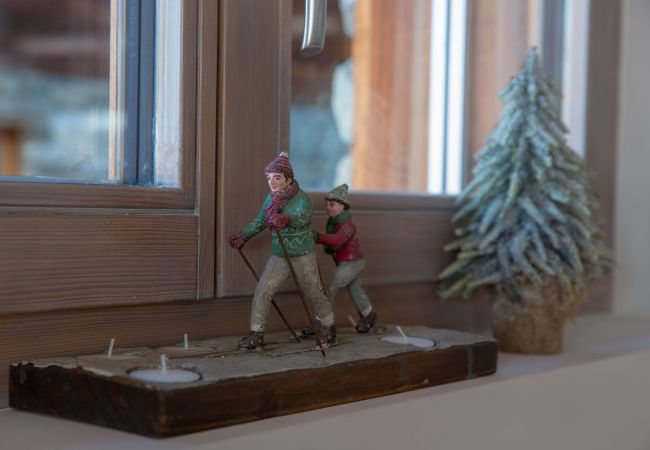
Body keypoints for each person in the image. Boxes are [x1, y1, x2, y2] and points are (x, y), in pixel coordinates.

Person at [228, 152, 336, 349]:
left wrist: (287, 220)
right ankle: (256, 333)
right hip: (280, 254)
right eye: (269, 178)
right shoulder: (270, 200)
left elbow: (303, 218)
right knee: (263, 290)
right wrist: (244, 235)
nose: (272, 182)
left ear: (289, 179)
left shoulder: (303, 199)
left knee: (313, 291)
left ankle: (328, 327)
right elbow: (260, 221)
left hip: (303, 254)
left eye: (277, 177)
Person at [315, 184, 377, 333]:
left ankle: (323, 321)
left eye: (332, 204)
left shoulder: (347, 225)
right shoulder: (333, 222)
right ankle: (369, 315)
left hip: (352, 263)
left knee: (331, 285)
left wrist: (317, 237)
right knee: (355, 289)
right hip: (346, 261)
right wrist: (329, 247)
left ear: (342, 206)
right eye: (326, 204)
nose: (328, 207)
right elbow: (333, 243)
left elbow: (338, 240)